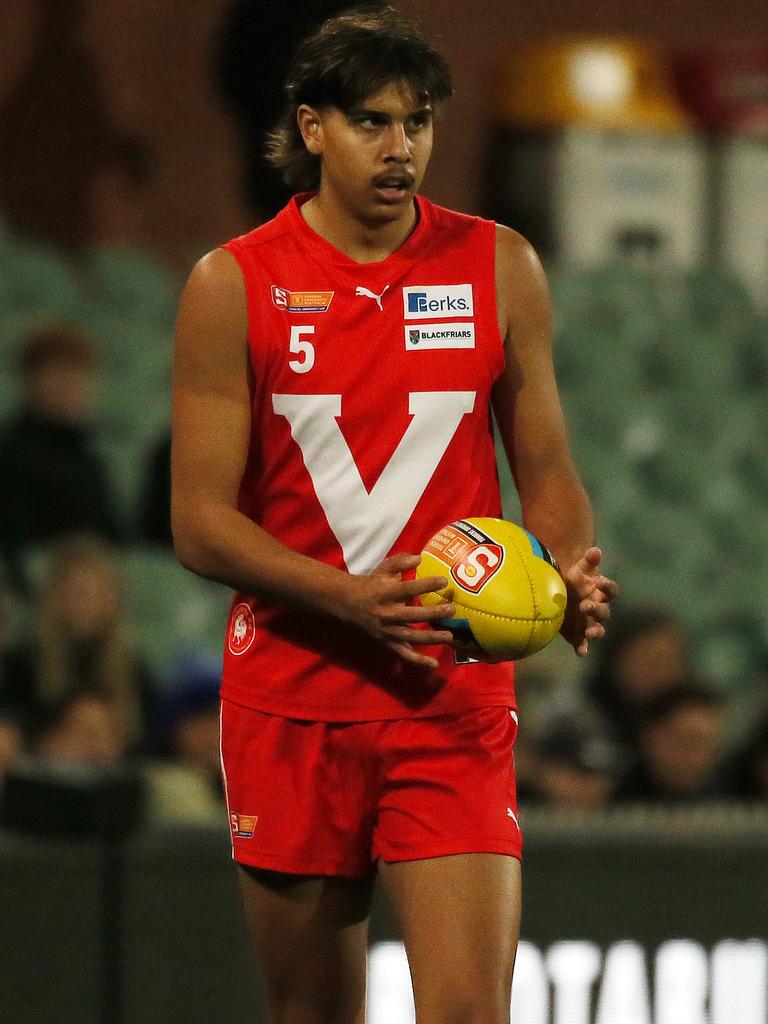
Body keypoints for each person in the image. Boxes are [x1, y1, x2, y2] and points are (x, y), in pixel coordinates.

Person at [171, 7, 618, 1023]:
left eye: (418, 123)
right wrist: (350, 599)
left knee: (468, 1012)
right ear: (311, 126)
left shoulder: (500, 264)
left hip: (448, 699)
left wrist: (567, 568)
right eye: (372, 122)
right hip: (293, 697)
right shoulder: (231, 284)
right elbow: (199, 523)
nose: (400, 147)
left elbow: (545, 465)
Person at [0, 324, 123, 593]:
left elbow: (113, 535)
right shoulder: (11, 455)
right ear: (31, 383)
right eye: (58, 375)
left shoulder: (88, 457)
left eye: (77, 376)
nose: (70, 386)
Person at [612, 681, 726, 803]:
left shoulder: (732, 794)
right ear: (651, 738)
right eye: (687, 743)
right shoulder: (608, 798)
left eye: (707, 745)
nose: (698, 758)